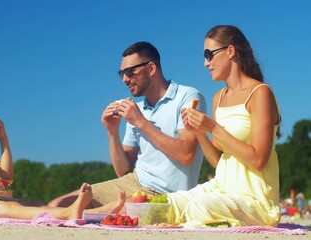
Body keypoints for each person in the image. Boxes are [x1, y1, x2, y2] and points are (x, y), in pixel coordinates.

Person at [48, 41, 206, 208]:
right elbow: (123, 171)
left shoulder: (188, 97)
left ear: (151, 68)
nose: (125, 79)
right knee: (59, 204)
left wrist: (140, 122)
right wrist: (112, 132)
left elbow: (186, 155)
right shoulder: (136, 109)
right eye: (121, 73)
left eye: (130, 72)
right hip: (133, 183)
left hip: (167, 195)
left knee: (100, 213)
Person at [0, 85, 124, 219]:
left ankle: (95, 213)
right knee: (12, 207)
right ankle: (67, 214)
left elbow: (6, 177)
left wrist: (3, 138)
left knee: (32, 204)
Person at [173, 25, 281, 226]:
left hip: (254, 201)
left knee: (200, 206)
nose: (206, 63)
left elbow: (259, 160)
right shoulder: (218, 98)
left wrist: (214, 128)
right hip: (222, 191)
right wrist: (199, 132)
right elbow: (219, 161)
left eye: (209, 54)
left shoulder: (260, 93)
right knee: (170, 204)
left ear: (230, 51)